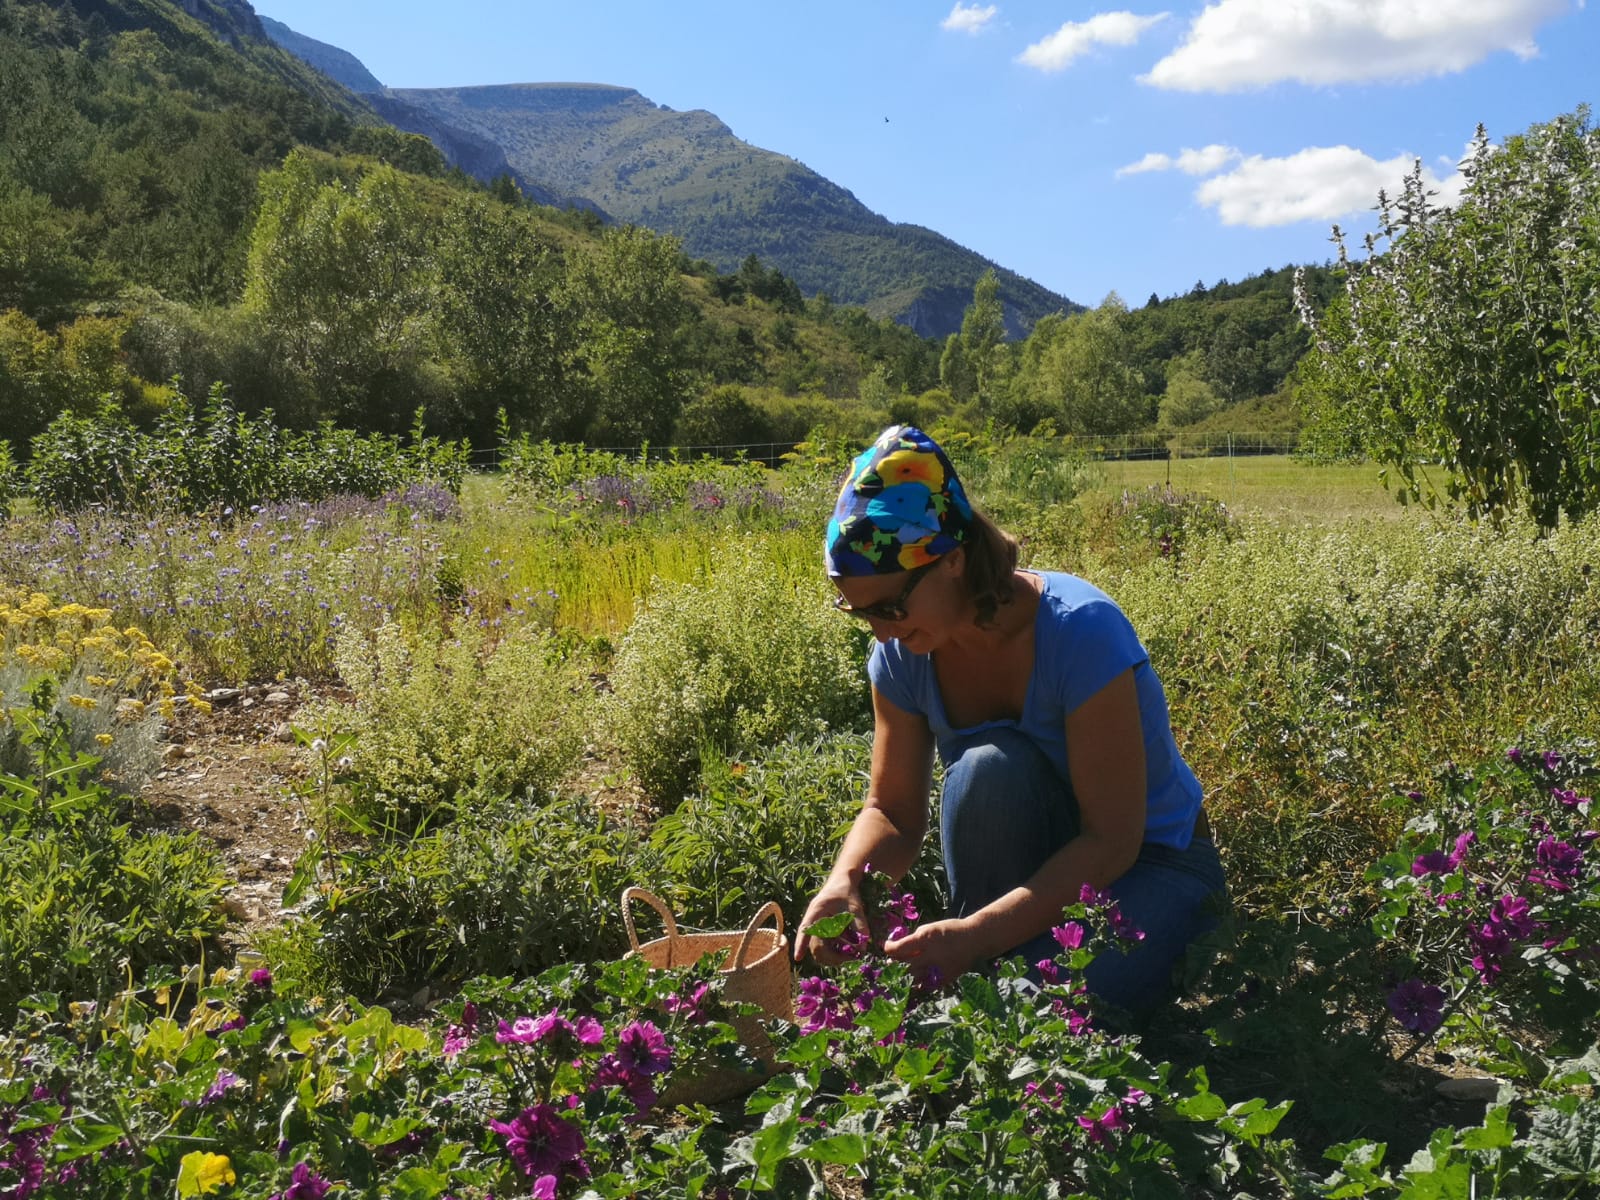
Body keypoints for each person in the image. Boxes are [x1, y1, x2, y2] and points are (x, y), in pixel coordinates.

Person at [794, 425, 1226, 1017]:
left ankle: (999, 968)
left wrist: (975, 937)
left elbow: (1112, 841)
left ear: (951, 560)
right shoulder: (902, 654)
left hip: (1152, 864)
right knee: (987, 771)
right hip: (1041, 871)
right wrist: (846, 881)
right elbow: (891, 812)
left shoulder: (1080, 632)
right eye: (860, 614)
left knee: (1027, 1008)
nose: (882, 631)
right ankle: (995, 966)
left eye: (891, 607)